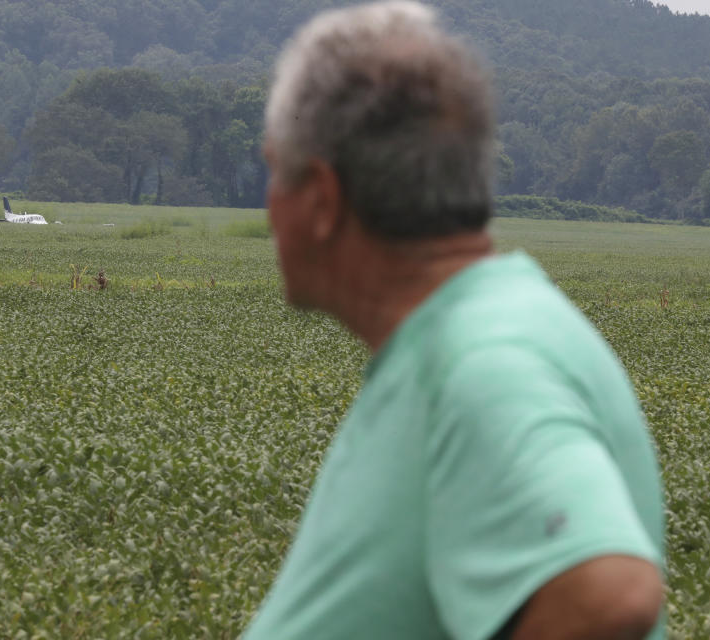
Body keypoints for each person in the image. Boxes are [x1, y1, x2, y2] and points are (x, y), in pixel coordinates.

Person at [243, 2, 666, 639]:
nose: (269, 207)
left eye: (275, 173)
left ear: (324, 200)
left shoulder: (485, 361)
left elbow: (610, 595)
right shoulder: (470, 334)